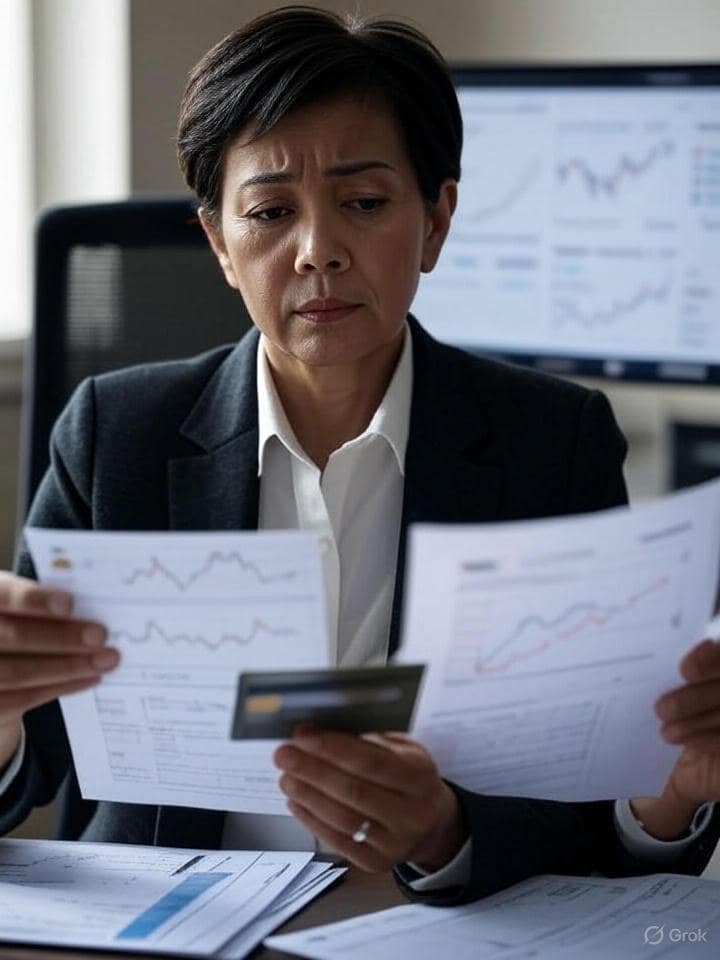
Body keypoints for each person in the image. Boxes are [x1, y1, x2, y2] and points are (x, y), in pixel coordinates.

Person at [0, 5, 719, 906]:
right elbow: (32, 771)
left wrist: (449, 830)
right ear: (220, 243)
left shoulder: (551, 440)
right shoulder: (117, 432)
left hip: (430, 923)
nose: (318, 252)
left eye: (365, 203)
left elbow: (595, 825)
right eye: (268, 212)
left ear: (436, 220)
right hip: (172, 921)